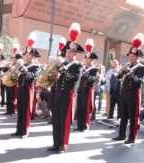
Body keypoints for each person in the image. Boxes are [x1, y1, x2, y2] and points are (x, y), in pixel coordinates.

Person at [48, 22, 84, 153]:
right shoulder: (61, 63)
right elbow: (54, 76)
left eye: (72, 51)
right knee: (56, 119)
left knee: (65, 120)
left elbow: (74, 79)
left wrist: (63, 70)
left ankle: (64, 145)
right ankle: (56, 143)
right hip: (58, 93)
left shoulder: (77, 66)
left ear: (75, 53)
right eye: (68, 50)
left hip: (68, 94)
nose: (69, 53)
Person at [113, 33, 144, 144]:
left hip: (134, 94)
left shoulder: (142, 67)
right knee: (123, 115)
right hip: (124, 94)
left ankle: (132, 137)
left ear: (137, 57)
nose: (131, 57)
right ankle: (121, 135)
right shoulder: (127, 65)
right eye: (130, 56)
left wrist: (132, 74)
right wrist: (122, 71)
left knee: (133, 117)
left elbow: (140, 81)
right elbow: (118, 77)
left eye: (133, 56)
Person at [11, 35, 40, 138]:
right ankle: (19, 130)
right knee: (20, 109)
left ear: (33, 56)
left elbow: (31, 76)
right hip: (20, 89)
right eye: (26, 54)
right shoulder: (23, 65)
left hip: (28, 90)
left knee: (26, 110)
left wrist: (23, 68)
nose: (27, 56)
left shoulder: (36, 67)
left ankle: (25, 131)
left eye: (29, 55)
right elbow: (16, 76)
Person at [75, 50, 100, 132]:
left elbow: (93, 79)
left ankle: (86, 126)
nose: (85, 59)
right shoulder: (83, 67)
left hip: (88, 90)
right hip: (81, 89)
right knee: (80, 107)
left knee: (86, 108)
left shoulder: (94, 68)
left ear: (92, 59)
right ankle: (79, 125)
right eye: (85, 58)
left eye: (87, 58)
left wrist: (87, 76)